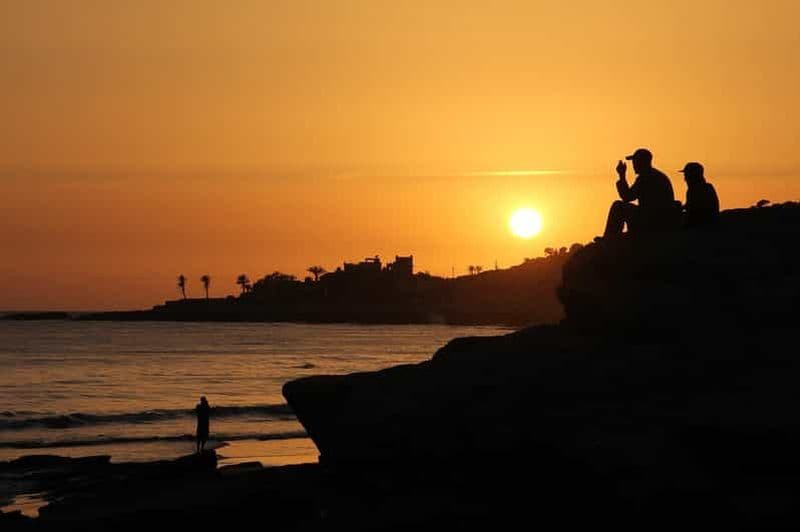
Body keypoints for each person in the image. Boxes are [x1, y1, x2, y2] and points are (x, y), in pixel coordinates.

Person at [603, 148, 679, 237]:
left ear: (642, 162)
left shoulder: (646, 177)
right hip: (656, 217)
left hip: (651, 219)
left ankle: (609, 237)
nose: (633, 165)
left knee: (618, 206)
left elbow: (627, 197)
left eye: (635, 161)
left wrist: (622, 176)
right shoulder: (657, 175)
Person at [680, 162, 719, 227]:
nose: (685, 179)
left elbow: (695, 210)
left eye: (686, 175)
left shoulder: (697, 190)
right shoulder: (706, 188)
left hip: (702, 226)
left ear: (693, 176)